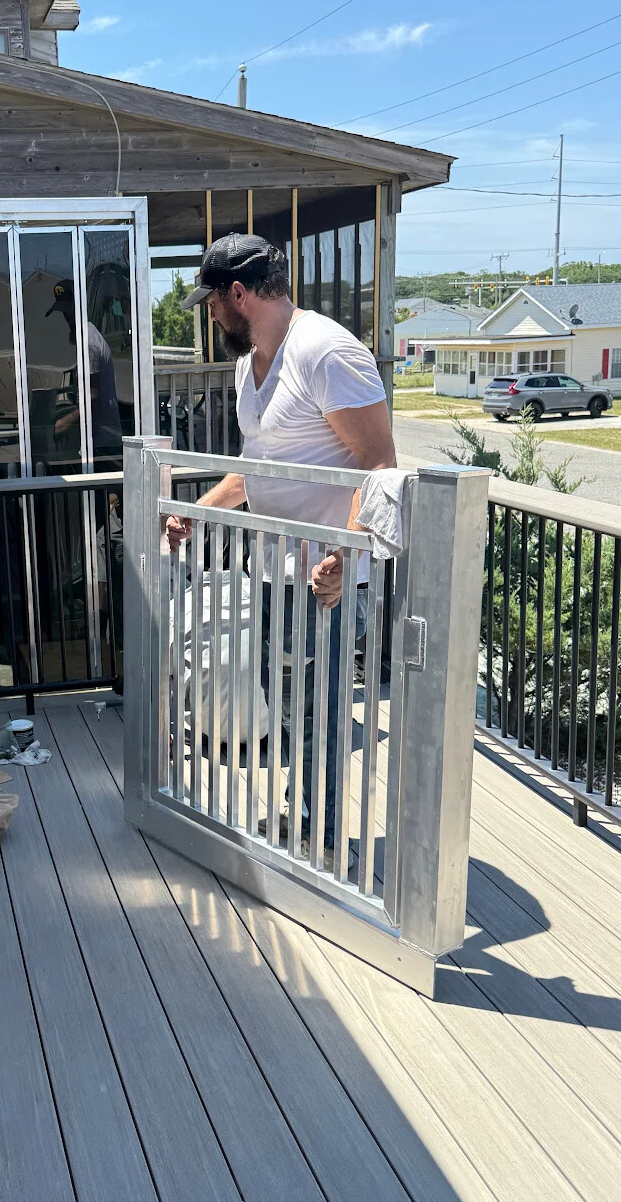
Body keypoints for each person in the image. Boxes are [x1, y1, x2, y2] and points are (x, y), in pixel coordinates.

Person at [167, 233, 396, 854]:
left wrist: (345, 553)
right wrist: (198, 513)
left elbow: (379, 463)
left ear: (238, 293)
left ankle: (319, 837)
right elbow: (257, 467)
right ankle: (306, 816)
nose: (211, 316)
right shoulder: (250, 364)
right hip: (272, 569)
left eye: (212, 303)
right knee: (288, 701)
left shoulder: (326, 352)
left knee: (318, 708)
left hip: (326, 579)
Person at [46, 279, 123, 460]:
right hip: (97, 436)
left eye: (69, 310)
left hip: (102, 440)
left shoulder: (88, 342)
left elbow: (92, 397)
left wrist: (65, 421)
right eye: (63, 312)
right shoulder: (88, 334)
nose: (67, 317)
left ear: (80, 307)